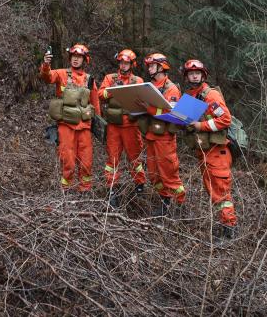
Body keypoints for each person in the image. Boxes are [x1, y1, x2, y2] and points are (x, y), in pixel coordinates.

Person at [181, 59, 237, 237]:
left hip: (217, 151)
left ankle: (230, 229)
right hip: (204, 151)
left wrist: (200, 126)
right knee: (213, 191)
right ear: (187, 76)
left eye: (197, 73)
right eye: (191, 73)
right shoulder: (190, 96)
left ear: (203, 75)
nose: (194, 75)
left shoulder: (209, 95)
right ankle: (223, 226)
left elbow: (225, 119)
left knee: (221, 192)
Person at [40, 44, 95, 193]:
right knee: (67, 159)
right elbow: (47, 77)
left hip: (84, 126)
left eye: (79, 57)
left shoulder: (89, 79)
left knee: (86, 161)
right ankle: (67, 189)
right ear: (70, 58)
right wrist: (46, 64)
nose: (76, 59)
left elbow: (95, 103)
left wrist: (97, 126)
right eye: (74, 57)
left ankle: (85, 190)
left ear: (84, 60)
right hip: (66, 125)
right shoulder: (62, 73)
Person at [97, 49, 147, 205]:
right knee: (112, 159)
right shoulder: (110, 78)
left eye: (127, 63)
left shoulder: (138, 80)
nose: (123, 65)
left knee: (135, 159)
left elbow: (144, 100)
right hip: (114, 126)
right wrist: (113, 91)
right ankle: (112, 188)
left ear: (132, 64)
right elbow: (100, 94)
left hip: (132, 126)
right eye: (121, 62)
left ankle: (139, 186)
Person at [137, 52, 185, 216]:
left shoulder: (171, 88)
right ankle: (164, 203)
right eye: (149, 66)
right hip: (150, 135)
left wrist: (148, 108)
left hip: (164, 138)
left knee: (169, 174)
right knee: (153, 174)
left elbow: (170, 112)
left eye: (152, 65)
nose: (150, 68)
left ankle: (179, 206)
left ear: (161, 67)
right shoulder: (149, 86)